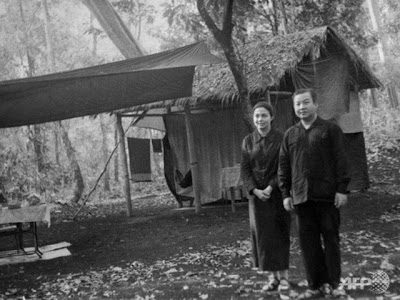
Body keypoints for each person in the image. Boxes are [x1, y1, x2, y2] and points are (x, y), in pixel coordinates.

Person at [278, 88, 350, 298]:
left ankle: (335, 284)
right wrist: (285, 194)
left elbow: (341, 161)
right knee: (308, 244)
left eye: (306, 102)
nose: (302, 107)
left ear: (316, 104)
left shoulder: (330, 130)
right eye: (298, 104)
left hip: (327, 196)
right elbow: (283, 166)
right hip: (301, 198)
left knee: (331, 240)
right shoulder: (290, 134)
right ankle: (314, 285)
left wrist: (342, 189)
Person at [241, 101, 291, 292]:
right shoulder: (247, 141)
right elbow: (245, 169)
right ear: (253, 119)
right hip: (257, 198)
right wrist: (254, 190)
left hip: (277, 195)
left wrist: (271, 187)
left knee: (279, 234)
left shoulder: (281, 138)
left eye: (263, 115)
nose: (260, 119)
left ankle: (284, 277)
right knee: (263, 238)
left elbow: (284, 167)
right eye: (257, 116)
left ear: (271, 117)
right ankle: (272, 277)